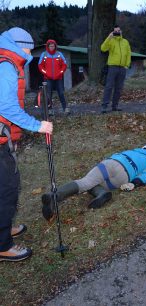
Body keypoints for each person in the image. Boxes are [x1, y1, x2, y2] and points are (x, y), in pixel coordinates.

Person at [0, 27, 53, 262]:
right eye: (29, 49)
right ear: (20, 45)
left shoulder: (7, 62)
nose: (30, 53)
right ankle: (3, 245)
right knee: (7, 190)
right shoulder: (6, 66)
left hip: (3, 136)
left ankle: (3, 228)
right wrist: (37, 126)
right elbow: (6, 106)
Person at [41, 144, 146, 221]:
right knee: (94, 184)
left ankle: (54, 196)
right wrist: (135, 183)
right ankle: (101, 194)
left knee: (86, 182)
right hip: (123, 178)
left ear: (144, 148)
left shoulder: (131, 150)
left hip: (111, 164)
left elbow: (115, 155)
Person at [100, 25, 131, 113]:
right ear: (113, 32)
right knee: (109, 87)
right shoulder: (111, 40)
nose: (117, 32)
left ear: (121, 31)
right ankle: (104, 106)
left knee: (119, 88)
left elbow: (128, 54)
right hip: (112, 67)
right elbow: (103, 48)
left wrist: (127, 65)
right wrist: (109, 37)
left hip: (122, 68)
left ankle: (115, 106)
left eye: (118, 30)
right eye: (115, 31)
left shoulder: (125, 42)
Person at [38, 39, 70, 115]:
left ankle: (65, 108)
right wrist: (46, 73)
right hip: (47, 78)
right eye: (50, 46)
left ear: (55, 46)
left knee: (61, 93)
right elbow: (40, 65)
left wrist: (60, 73)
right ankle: (50, 110)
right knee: (48, 94)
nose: (52, 47)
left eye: (53, 46)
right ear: (47, 46)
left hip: (58, 78)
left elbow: (64, 65)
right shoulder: (44, 54)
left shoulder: (59, 54)